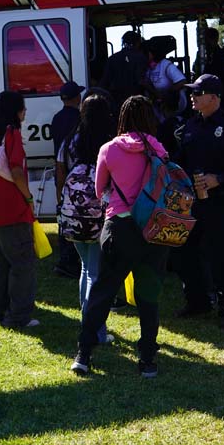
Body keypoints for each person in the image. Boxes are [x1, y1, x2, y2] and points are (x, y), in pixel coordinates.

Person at [71, 96, 172, 378]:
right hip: (153, 230)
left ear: (122, 118)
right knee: (148, 297)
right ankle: (148, 359)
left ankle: (84, 353)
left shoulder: (109, 149)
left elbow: (99, 188)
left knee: (103, 291)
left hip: (119, 227)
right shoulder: (159, 149)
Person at [173, 75, 224, 328]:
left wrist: (218, 179)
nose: (192, 97)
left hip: (221, 201)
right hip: (192, 202)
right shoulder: (190, 126)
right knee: (184, 252)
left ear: (213, 97)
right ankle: (197, 301)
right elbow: (181, 160)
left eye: (197, 93)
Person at [0, 90, 40, 328]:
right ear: (15, 111)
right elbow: (15, 170)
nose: (25, 112)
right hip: (13, 209)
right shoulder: (12, 134)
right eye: (22, 107)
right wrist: (28, 197)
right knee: (22, 265)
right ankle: (18, 316)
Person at [58, 94, 116, 346]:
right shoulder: (109, 142)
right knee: (95, 272)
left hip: (74, 212)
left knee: (85, 269)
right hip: (99, 213)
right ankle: (94, 330)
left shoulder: (71, 139)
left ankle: (87, 322)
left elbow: (60, 168)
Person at [51, 80, 85, 279]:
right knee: (79, 216)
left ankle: (65, 260)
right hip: (77, 174)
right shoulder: (81, 119)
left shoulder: (56, 119)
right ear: (76, 98)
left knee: (64, 215)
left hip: (60, 171)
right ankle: (74, 260)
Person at [100, 30, 147, 111]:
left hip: (116, 100)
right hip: (135, 101)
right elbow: (141, 80)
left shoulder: (112, 58)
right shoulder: (140, 57)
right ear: (137, 43)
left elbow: (105, 81)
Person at [145, 37, 188, 117]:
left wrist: (167, 93)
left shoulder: (166, 65)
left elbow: (182, 82)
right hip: (158, 109)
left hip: (174, 106)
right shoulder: (147, 68)